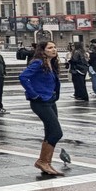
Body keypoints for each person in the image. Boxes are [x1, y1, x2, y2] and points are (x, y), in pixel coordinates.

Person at [19, 41, 63, 177]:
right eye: (50, 48)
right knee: (56, 132)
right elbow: (23, 77)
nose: (54, 50)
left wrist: (54, 94)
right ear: (43, 51)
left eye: (55, 47)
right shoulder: (37, 63)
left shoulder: (51, 63)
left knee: (50, 132)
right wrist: (33, 94)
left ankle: (46, 163)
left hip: (50, 100)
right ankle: (42, 161)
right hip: (40, 102)